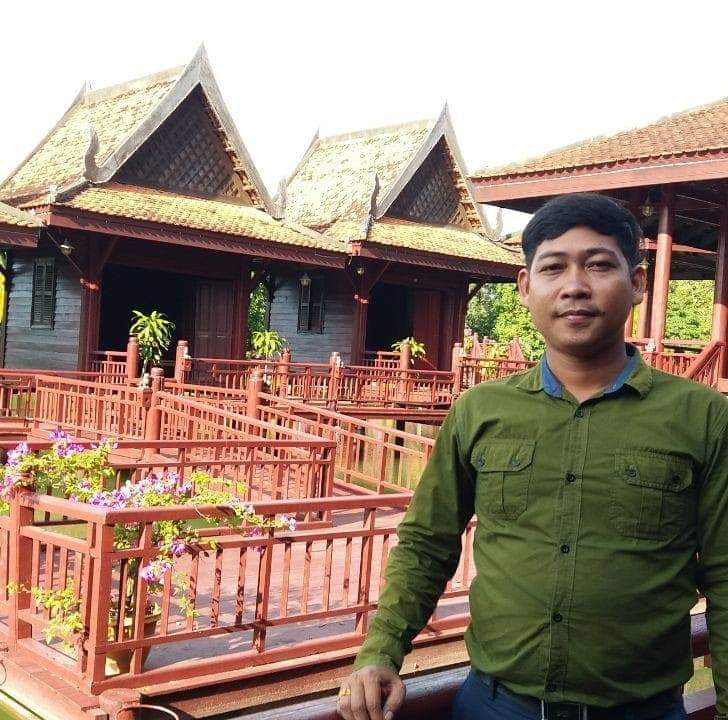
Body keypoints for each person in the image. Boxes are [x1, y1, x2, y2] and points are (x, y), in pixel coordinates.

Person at [336, 193, 728, 720]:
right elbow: (428, 543)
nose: (574, 286)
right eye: (553, 267)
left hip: (641, 711)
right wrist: (380, 652)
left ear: (637, 283)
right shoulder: (480, 410)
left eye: (598, 265)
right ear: (525, 287)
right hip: (496, 706)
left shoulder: (703, 417)